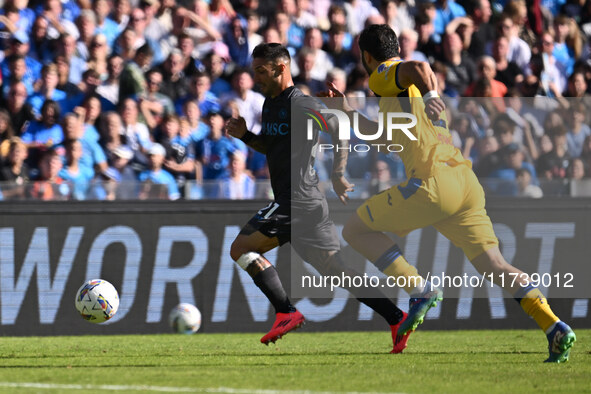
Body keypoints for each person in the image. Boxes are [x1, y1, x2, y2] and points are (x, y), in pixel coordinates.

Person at [326, 24, 575, 363]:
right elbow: (384, 137)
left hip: (431, 183)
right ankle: (554, 326)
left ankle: (418, 288)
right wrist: (347, 113)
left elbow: (420, 67)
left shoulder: (382, 75)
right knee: (495, 264)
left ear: (367, 57)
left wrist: (432, 95)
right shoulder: (400, 97)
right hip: (464, 184)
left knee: (355, 229)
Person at [225, 43, 412, 353]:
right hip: (306, 201)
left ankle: (286, 311)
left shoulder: (300, 103)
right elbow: (272, 149)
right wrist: (246, 136)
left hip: (295, 199)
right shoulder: (270, 104)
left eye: (261, 71)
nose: (256, 77)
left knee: (241, 247)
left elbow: (339, 127)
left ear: (281, 69)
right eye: (254, 70)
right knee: (334, 269)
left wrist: (338, 172)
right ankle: (396, 317)